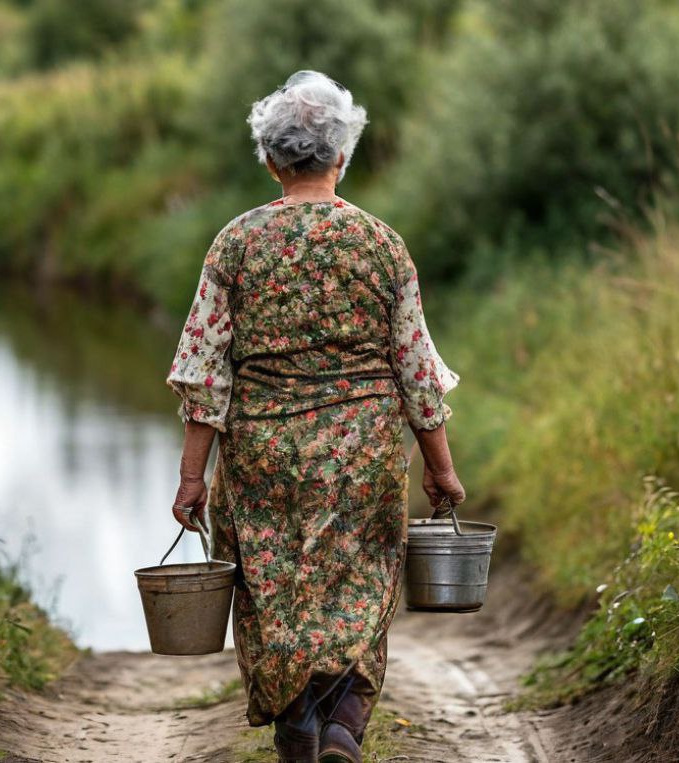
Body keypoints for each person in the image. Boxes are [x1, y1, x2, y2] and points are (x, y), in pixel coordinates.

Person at [165, 70, 465, 763]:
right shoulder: (382, 245)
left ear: (271, 160)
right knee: (359, 580)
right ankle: (344, 720)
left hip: (263, 456)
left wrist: (190, 477)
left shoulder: (235, 244)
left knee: (273, 589)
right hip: (362, 454)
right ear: (341, 156)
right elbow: (417, 372)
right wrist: (442, 469)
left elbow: (205, 373)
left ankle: (296, 717)